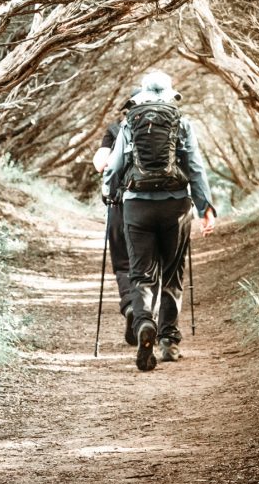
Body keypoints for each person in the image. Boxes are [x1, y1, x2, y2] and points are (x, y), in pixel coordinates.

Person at [104, 70, 216, 372]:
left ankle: (143, 324)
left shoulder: (129, 123)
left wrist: (110, 195)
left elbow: (114, 168)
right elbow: (195, 167)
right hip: (176, 207)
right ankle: (169, 341)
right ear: (170, 95)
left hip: (136, 208)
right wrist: (205, 207)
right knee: (172, 273)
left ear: (141, 95)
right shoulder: (182, 122)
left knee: (141, 275)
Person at [92, 96, 138, 346]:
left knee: (123, 264)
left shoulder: (114, 129)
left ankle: (131, 305)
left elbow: (100, 165)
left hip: (120, 205)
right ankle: (150, 318)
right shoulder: (171, 125)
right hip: (159, 203)